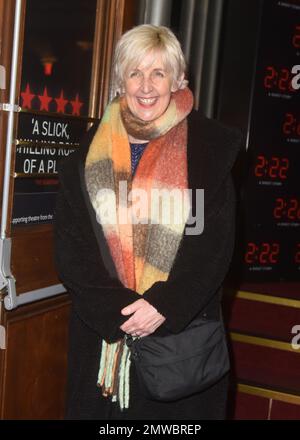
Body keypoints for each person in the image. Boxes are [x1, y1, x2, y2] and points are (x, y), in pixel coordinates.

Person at [54, 24, 242, 420]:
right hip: (102, 340)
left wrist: (162, 305)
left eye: (159, 72)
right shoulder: (86, 157)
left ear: (179, 79)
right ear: (120, 79)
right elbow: (72, 249)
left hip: (181, 342)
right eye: (135, 72)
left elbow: (212, 249)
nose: (146, 85)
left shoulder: (209, 151)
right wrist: (121, 311)